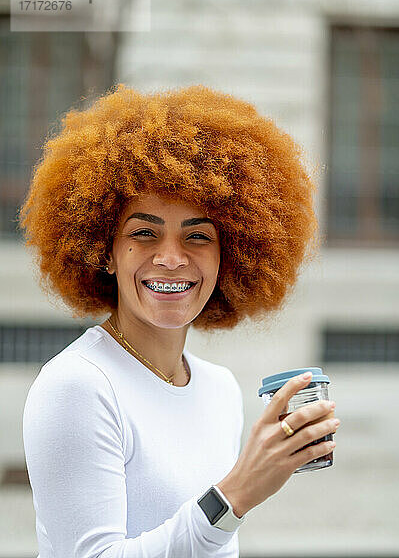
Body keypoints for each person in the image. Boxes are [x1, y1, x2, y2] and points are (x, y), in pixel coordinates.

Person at [18, 83, 338, 557]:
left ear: (229, 256)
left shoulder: (220, 387)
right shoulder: (78, 385)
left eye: (198, 237)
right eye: (144, 233)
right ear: (105, 252)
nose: (170, 259)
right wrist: (238, 491)